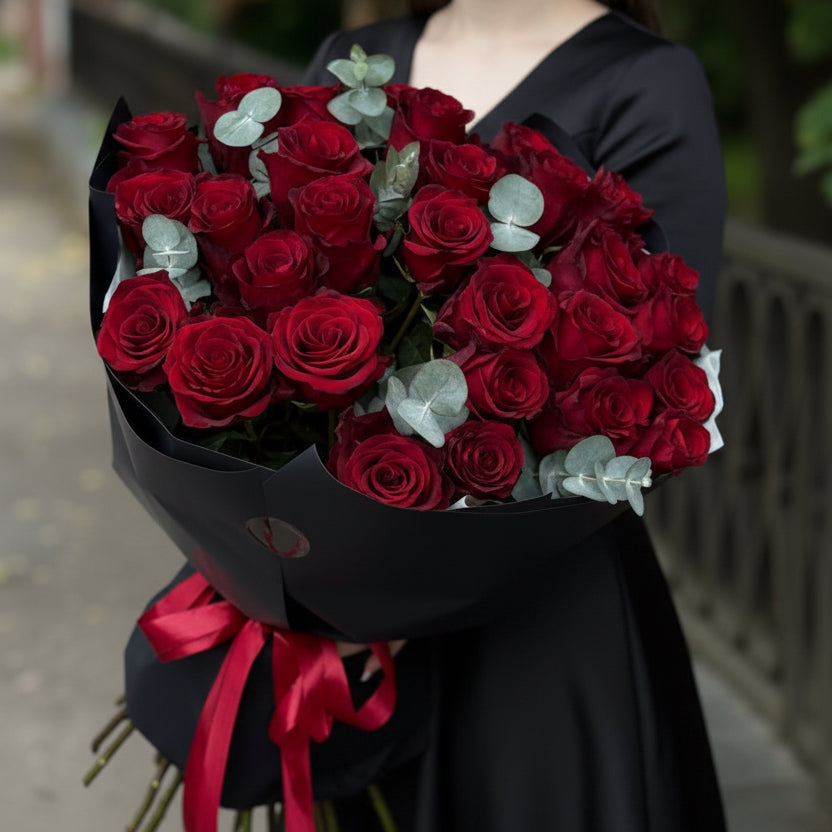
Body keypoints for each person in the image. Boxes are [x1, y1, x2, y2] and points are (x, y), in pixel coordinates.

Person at [303, 1, 727, 830]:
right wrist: (286, 565)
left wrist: (386, 599)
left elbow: (649, 385)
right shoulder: (355, 55)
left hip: (542, 639)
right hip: (341, 643)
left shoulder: (646, 82)